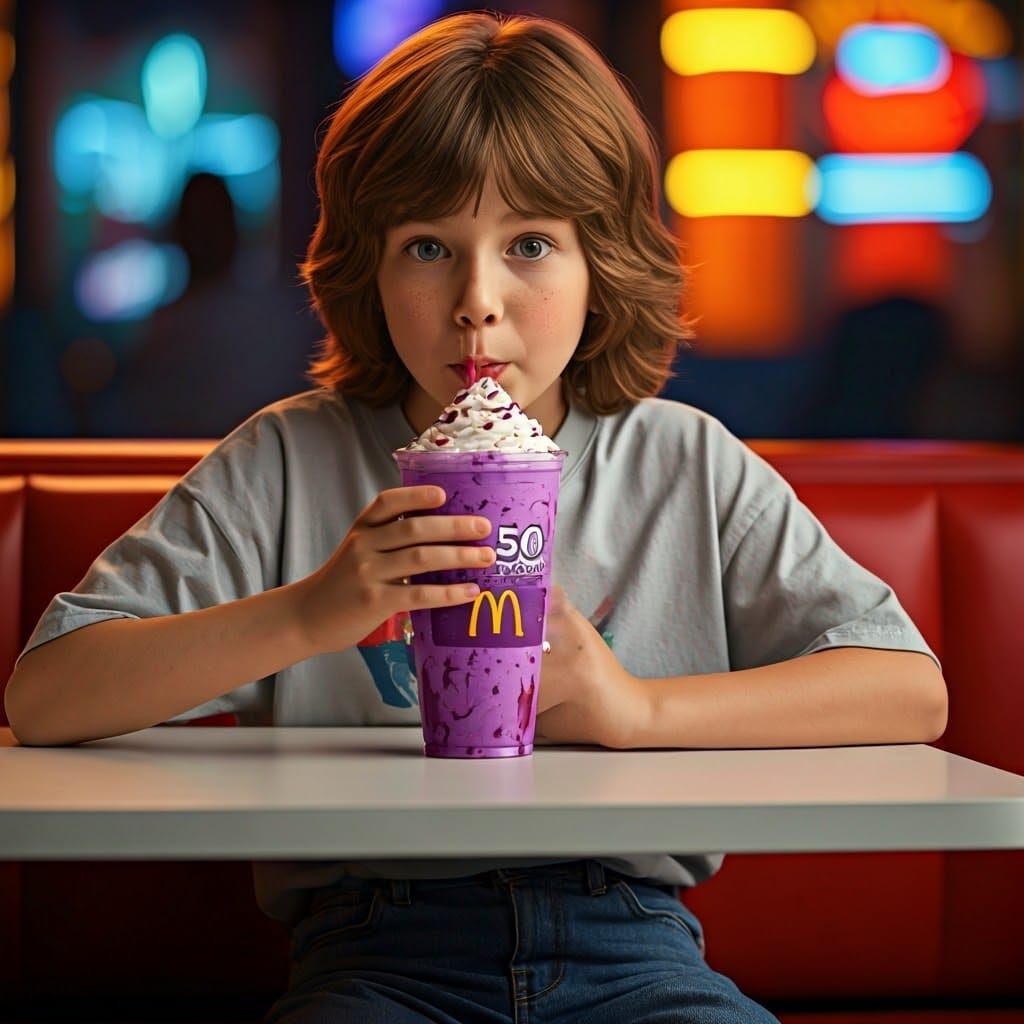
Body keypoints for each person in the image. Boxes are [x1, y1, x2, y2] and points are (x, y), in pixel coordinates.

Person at [4, 12, 947, 1023]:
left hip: (630, 940)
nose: (476, 300)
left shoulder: (681, 462)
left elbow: (908, 689)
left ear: (603, 264)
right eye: (426, 247)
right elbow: (47, 696)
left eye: (531, 243)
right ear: (366, 268)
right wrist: (313, 611)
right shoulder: (289, 461)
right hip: (372, 948)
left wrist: (636, 712)